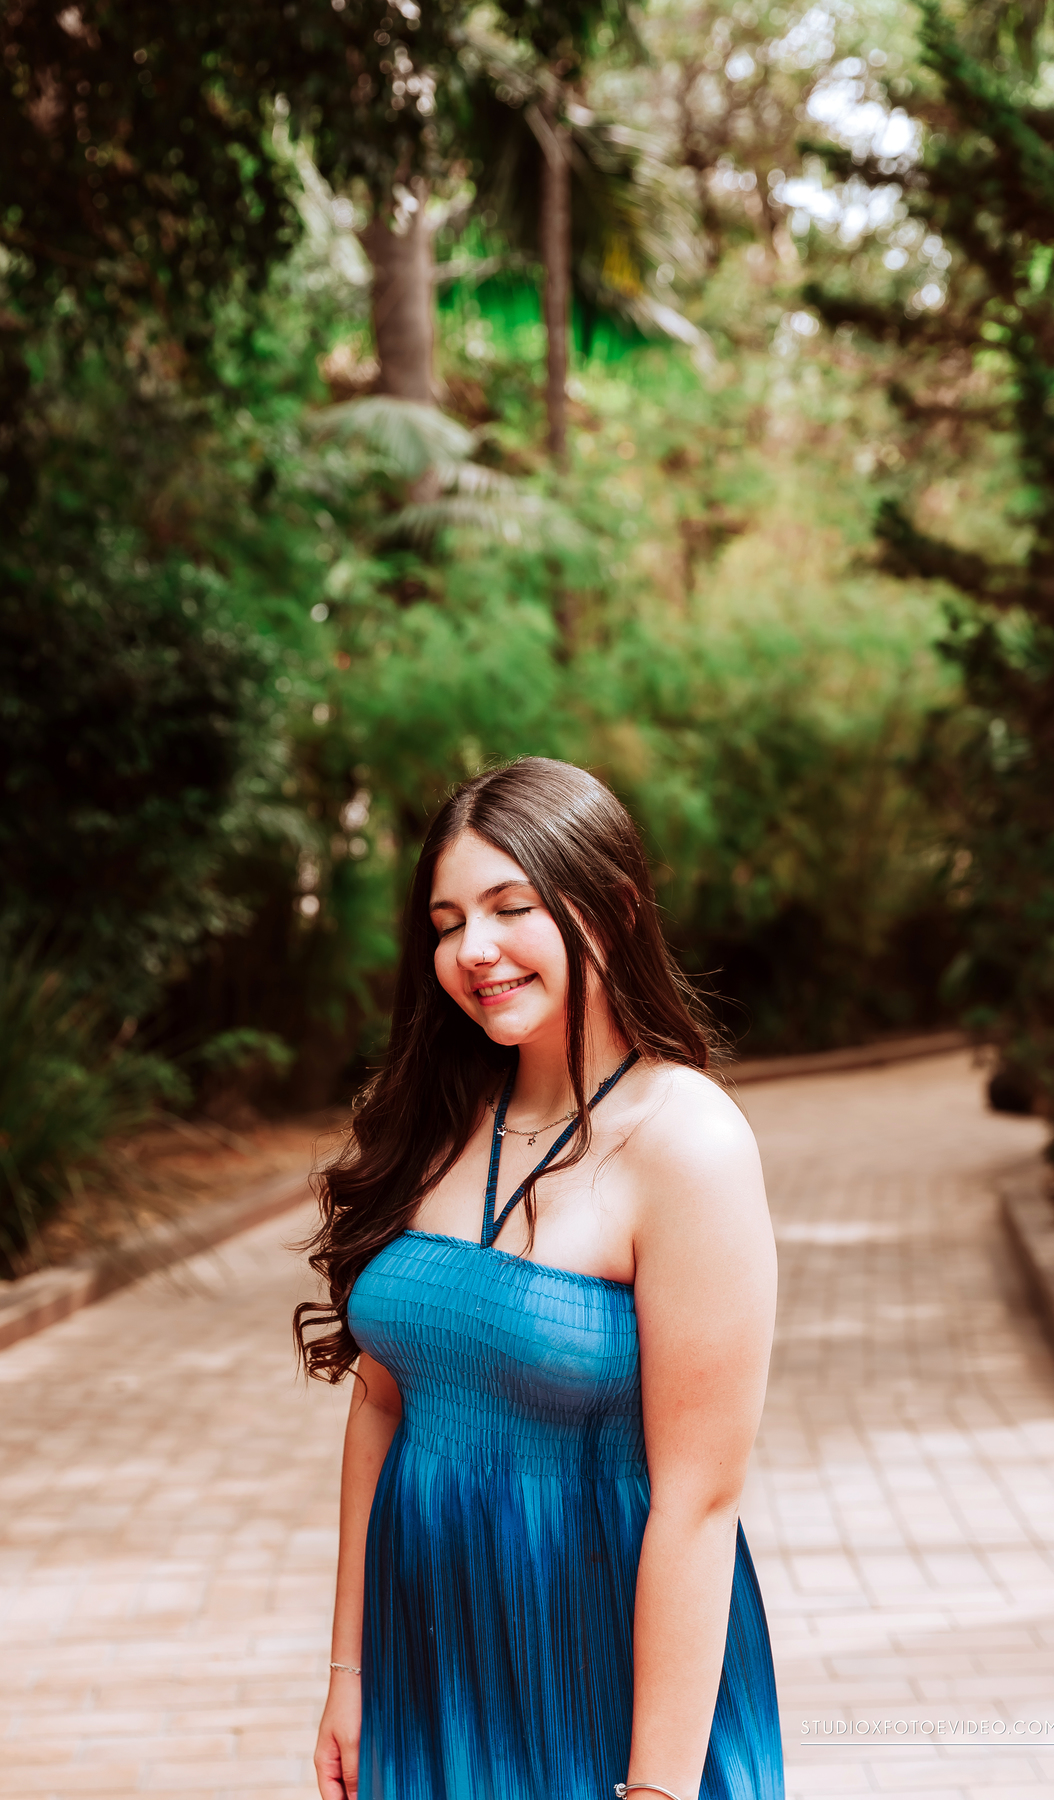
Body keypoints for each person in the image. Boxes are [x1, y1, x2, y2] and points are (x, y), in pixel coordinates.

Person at [295, 757, 783, 1800]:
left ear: (612, 907)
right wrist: (350, 1674)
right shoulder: (433, 1123)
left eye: (511, 907)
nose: (474, 949)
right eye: (446, 922)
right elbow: (380, 1406)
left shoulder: (686, 1142)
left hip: (600, 1678)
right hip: (430, 1670)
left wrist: (654, 1789)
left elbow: (699, 1502)